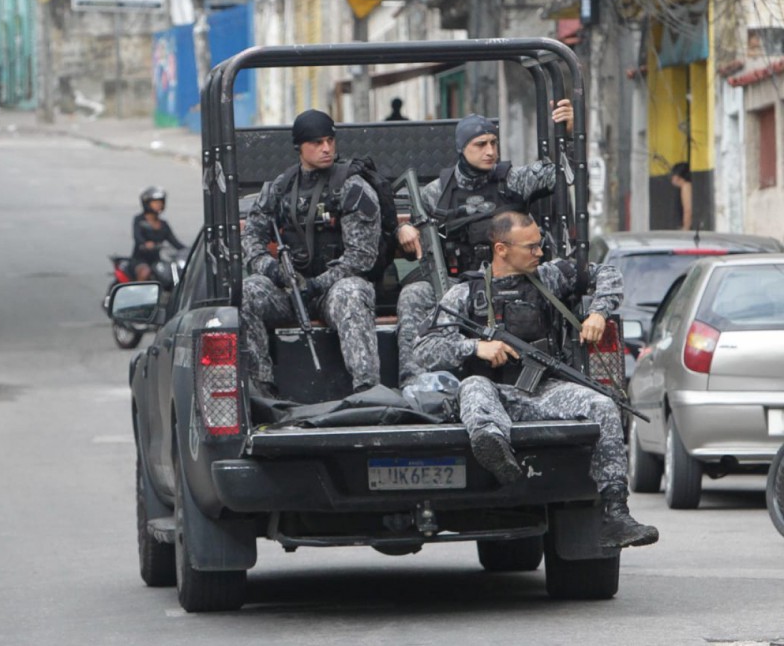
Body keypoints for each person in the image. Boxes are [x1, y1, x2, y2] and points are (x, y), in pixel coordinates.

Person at [414, 211, 658, 549]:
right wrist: (476, 347)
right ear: (501, 249)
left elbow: (608, 274)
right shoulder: (465, 295)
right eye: (530, 247)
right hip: (491, 394)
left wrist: (599, 312)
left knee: (602, 405)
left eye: (540, 245)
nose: (540, 252)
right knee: (472, 386)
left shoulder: (550, 278)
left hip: (542, 391)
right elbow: (423, 350)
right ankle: (498, 457)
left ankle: (615, 514)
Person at [394, 100, 574, 387]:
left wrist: (567, 135)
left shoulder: (513, 180)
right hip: (456, 286)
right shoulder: (436, 193)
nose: (490, 151)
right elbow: (412, 229)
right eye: (480, 144)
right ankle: (415, 384)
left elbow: (562, 175)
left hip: (511, 284)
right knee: (414, 295)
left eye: (493, 142)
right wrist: (402, 228)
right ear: (462, 148)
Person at [242, 109, 391, 398]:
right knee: (247, 292)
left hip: (331, 291)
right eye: (317, 143)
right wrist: (274, 271)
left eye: (330, 141)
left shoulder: (351, 185)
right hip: (289, 289)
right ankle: (261, 392)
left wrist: (316, 285)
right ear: (299, 147)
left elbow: (361, 257)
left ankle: (367, 391)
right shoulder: (280, 188)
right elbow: (251, 239)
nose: (326, 148)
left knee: (353, 292)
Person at [131, 186, 185, 282]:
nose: (159, 205)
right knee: (145, 272)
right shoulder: (139, 220)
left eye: (160, 202)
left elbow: (175, 242)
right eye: (155, 202)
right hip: (140, 260)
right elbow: (137, 237)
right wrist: (146, 244)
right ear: (147, 203)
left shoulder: (163, 224)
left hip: (157, 261)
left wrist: (189, 251)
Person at [670, 162, 693, 230]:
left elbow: (688, 210)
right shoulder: (686, 186)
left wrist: (686, 228)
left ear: (677, 176)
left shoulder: (686, 186)